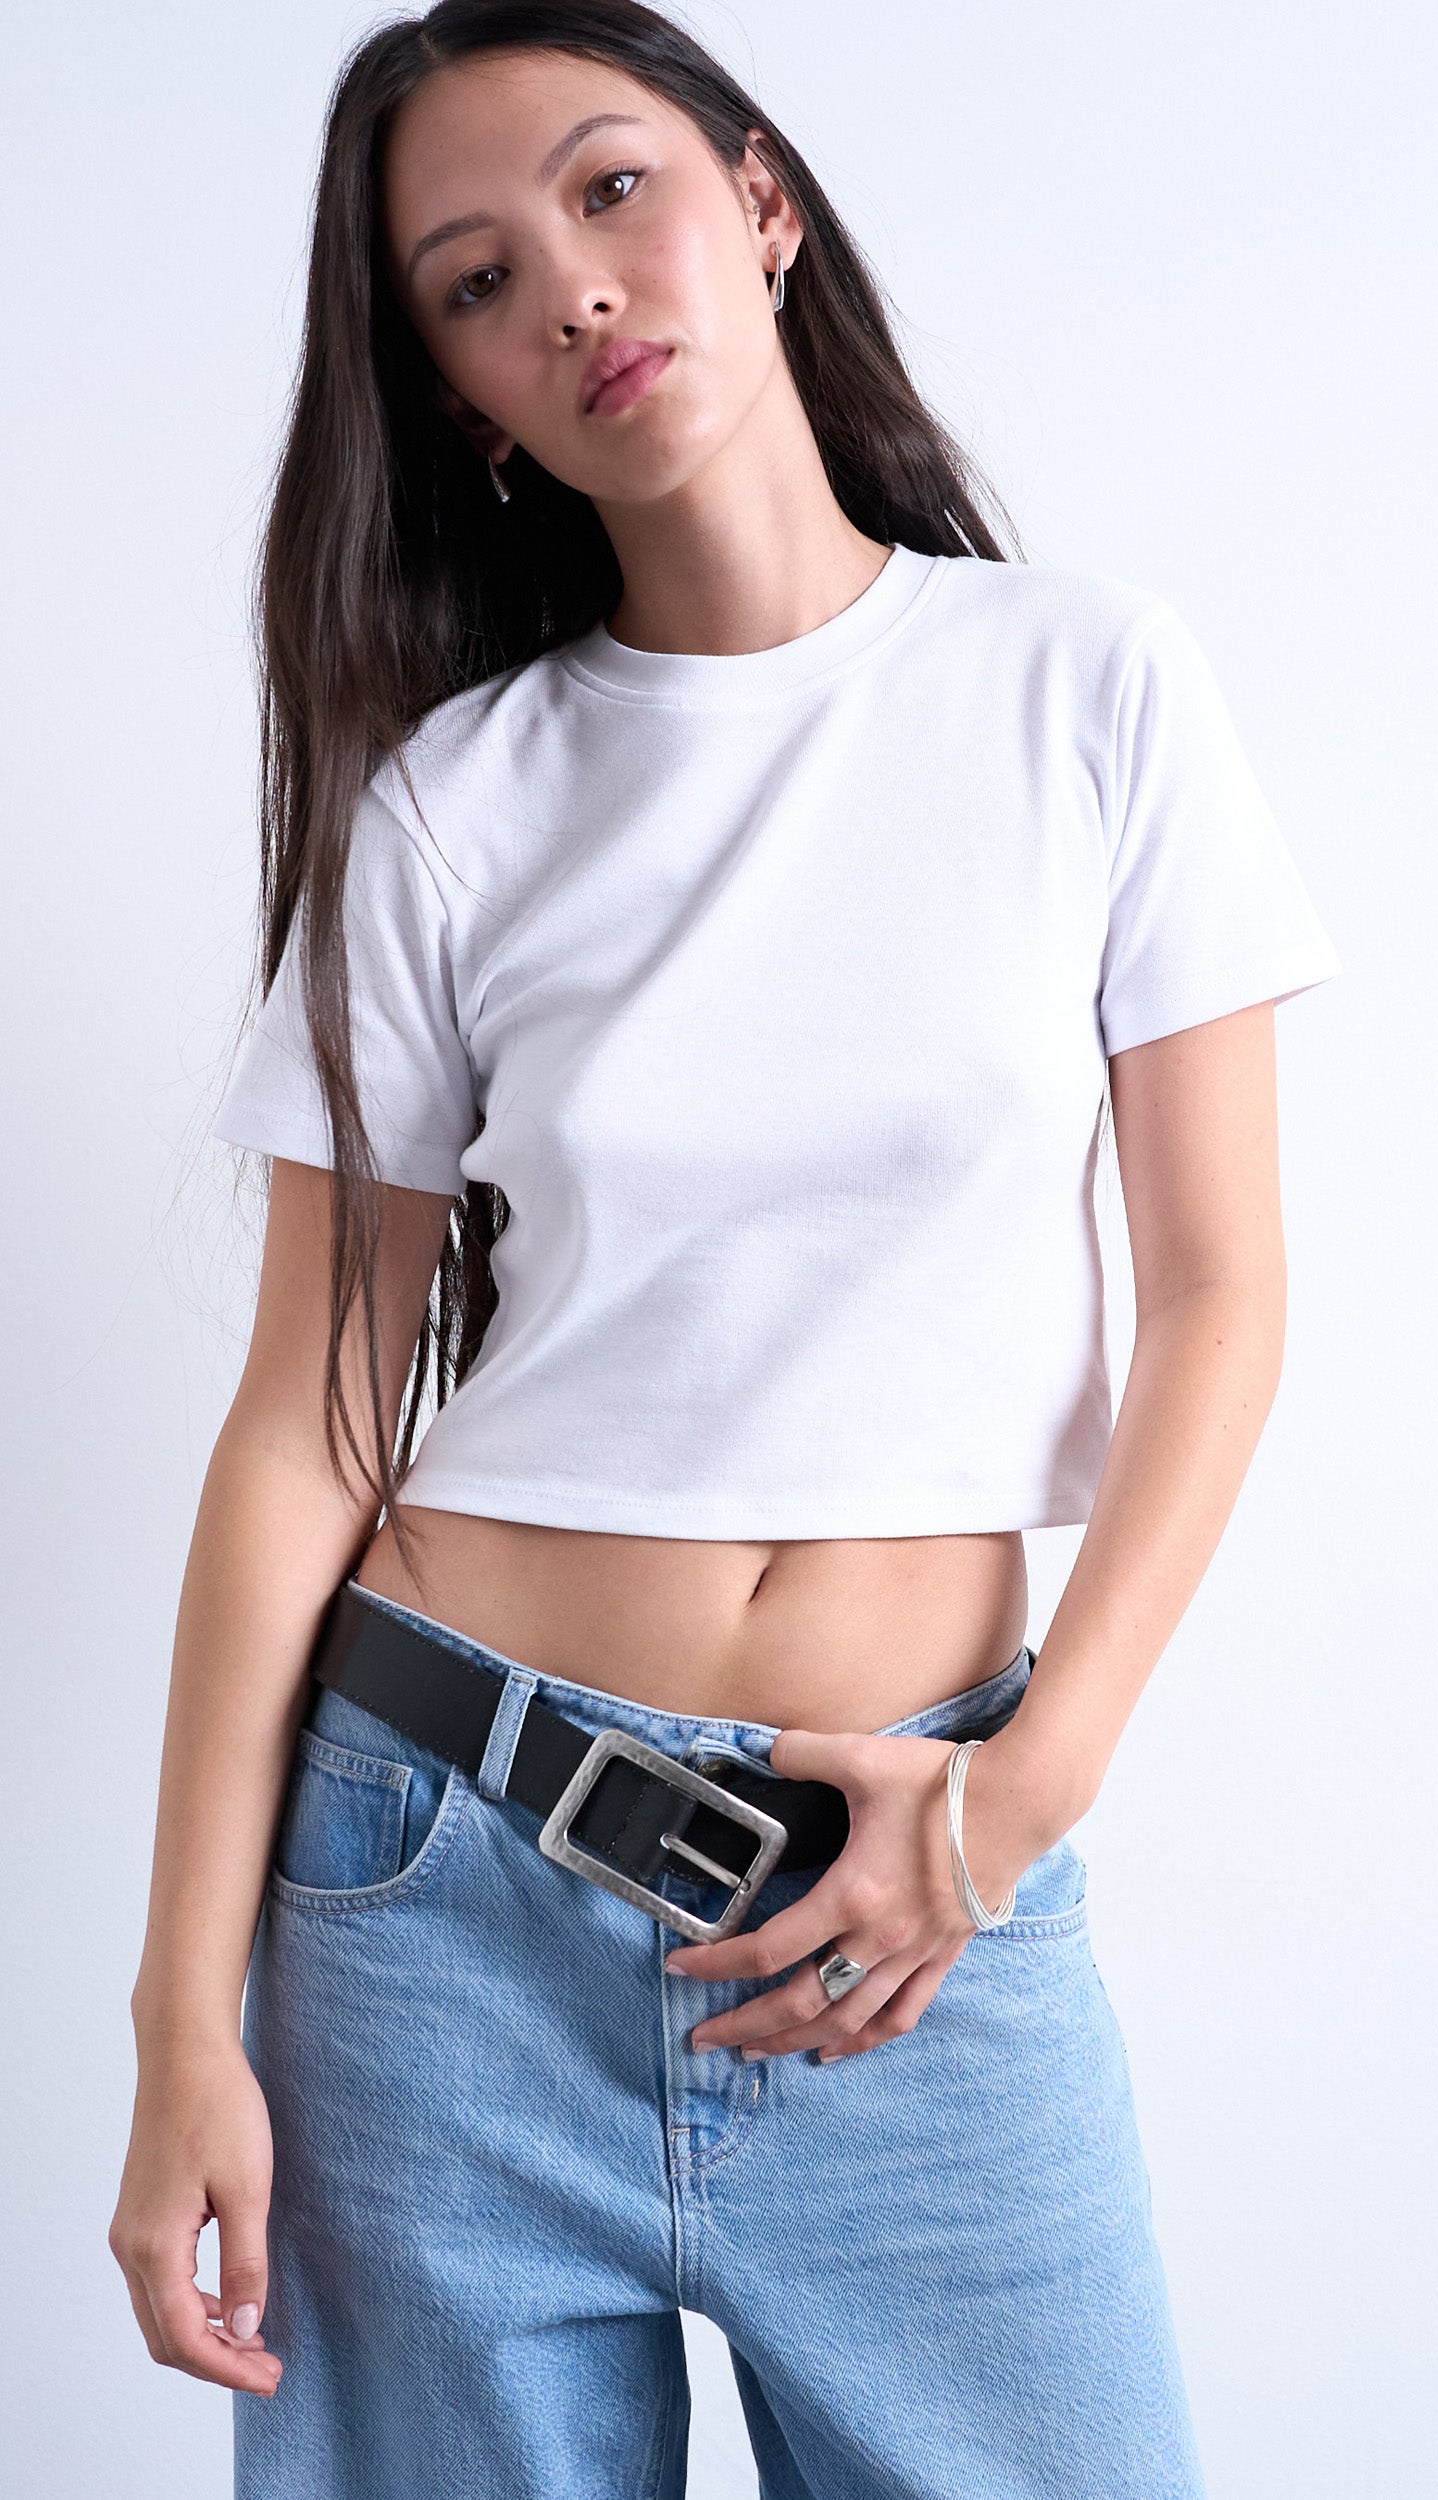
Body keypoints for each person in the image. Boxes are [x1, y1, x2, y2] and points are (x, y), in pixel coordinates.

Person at [108, 4, 1343, 2493]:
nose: (566, 287)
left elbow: (1219, 1295)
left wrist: (1018, 1796)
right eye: (473, 280)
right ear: (463, 401)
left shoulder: (1080, 685)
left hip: (916, 1880)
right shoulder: (449, 800)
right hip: (434, 1884)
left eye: (608, 190)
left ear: (759, 204)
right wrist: (180, 2024)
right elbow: (307, 1424)